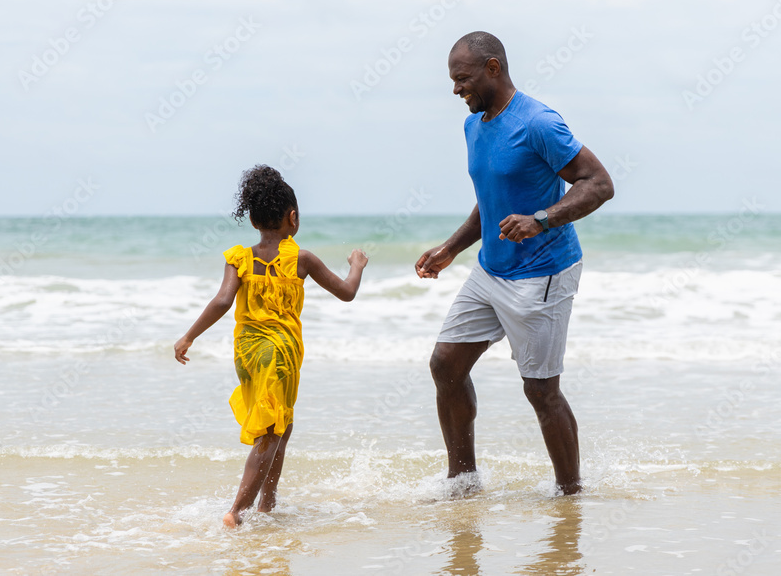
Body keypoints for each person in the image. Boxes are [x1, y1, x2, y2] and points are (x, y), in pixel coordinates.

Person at [416, 31, 614, 495]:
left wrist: (541, 220)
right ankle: (463, 483)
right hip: (491, 270)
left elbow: (598, 183)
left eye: (462, 79)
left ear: (493, 68)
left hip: (543, 273)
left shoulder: (538, 123)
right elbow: (492, 199)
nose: (456, 89)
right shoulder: (474, 126)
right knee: (446, 365)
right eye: (452, 80)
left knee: (541, 390)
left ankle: (570, 495)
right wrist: (452, 248)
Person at [174, 165, 368, 528]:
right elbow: (347, 292)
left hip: (247, 353)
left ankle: (268, 503)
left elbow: (222, 300)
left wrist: (189, 336)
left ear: (252, 220)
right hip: (278, 354)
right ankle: (237, 512)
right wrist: (357, 264)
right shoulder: (301, 259)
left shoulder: (239, 258)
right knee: (270, 431)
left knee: (282, 424)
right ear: (292, 218)